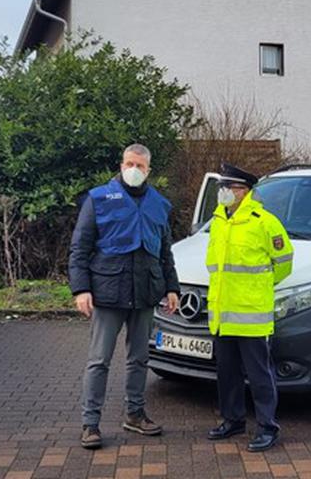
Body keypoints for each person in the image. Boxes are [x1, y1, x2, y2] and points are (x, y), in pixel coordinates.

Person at [68, 144, 180, 450]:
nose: (134, 169)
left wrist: (172, 288)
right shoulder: (99, 199)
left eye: (140, 166)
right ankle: (90, 423)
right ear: (120, 165)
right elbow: (80, 248)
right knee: (99, 361)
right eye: (129, 163)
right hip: (107, 293)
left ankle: (135, 413)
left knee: (139, 358)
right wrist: (81, 289)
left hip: (145, 293)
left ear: (148, 170)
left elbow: (165, 251)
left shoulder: (159, 204)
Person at [205, 163, 294, 452]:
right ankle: (233, 420)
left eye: (229, 188)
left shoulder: (264, 221)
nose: (224, 193)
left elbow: (284, 263)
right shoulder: (219, 220)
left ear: (245, 192)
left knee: (259, 375)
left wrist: (260, 287)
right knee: (227, 372)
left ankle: (268, 427)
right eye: (222, 188)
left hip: (251, 314)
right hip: (222, 313)